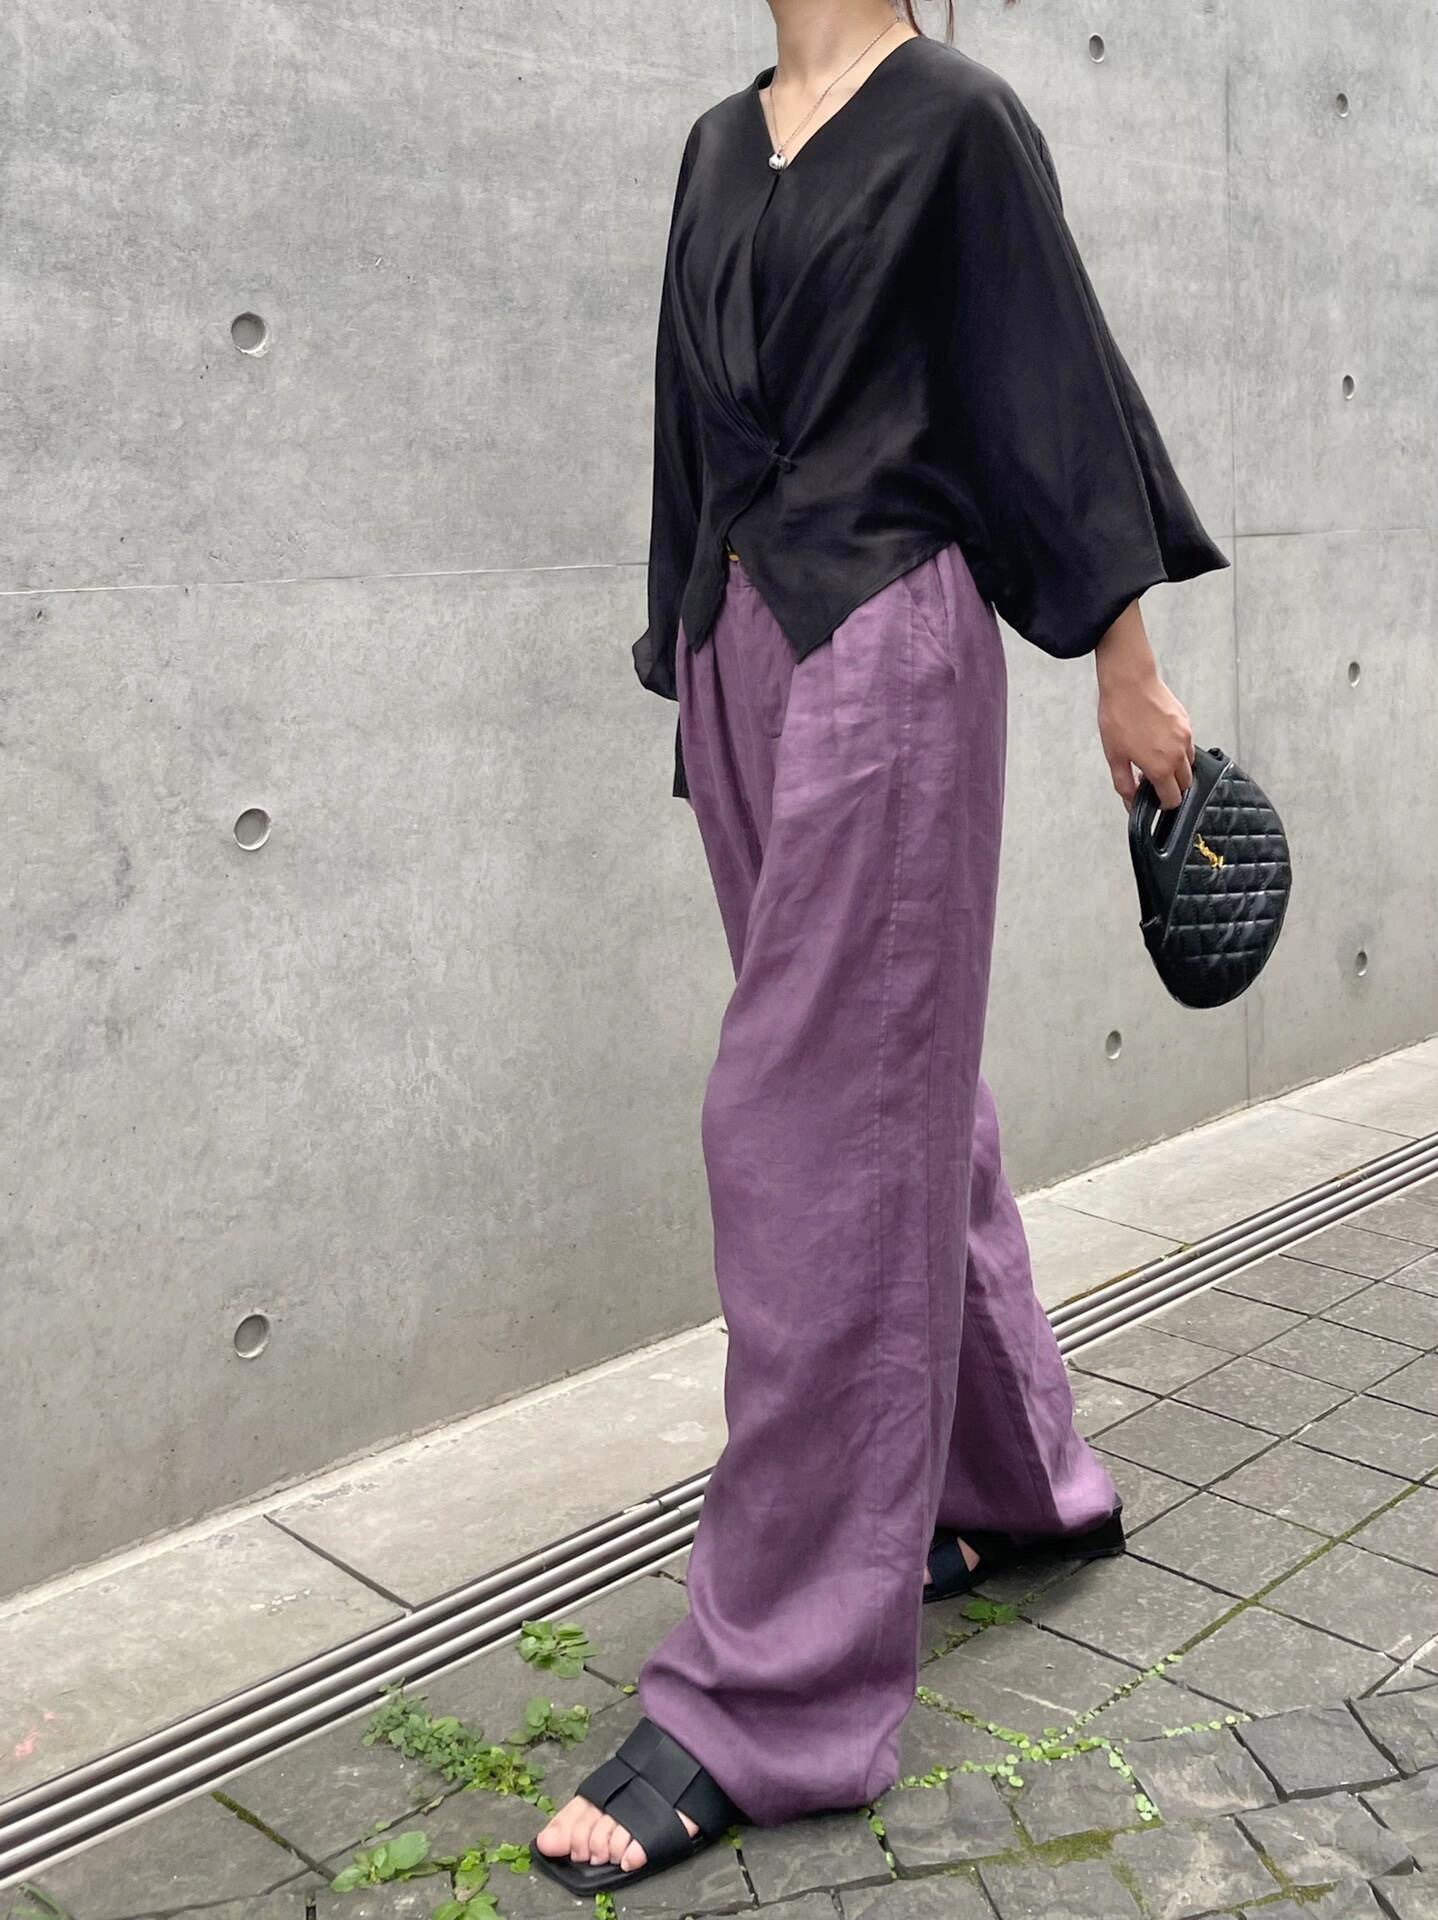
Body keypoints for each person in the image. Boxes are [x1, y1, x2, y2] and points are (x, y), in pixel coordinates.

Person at [534, 0, 1229, 1896]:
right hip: (741, 653)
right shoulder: (716, 140)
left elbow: (1054, 391)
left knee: (814, 1130)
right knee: (893, 1094)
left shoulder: (955, 118)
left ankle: (770, 1692)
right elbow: (688, 428)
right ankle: (1017, 1486)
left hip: (884, 649)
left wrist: (1125, 671)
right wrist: (688, 661)